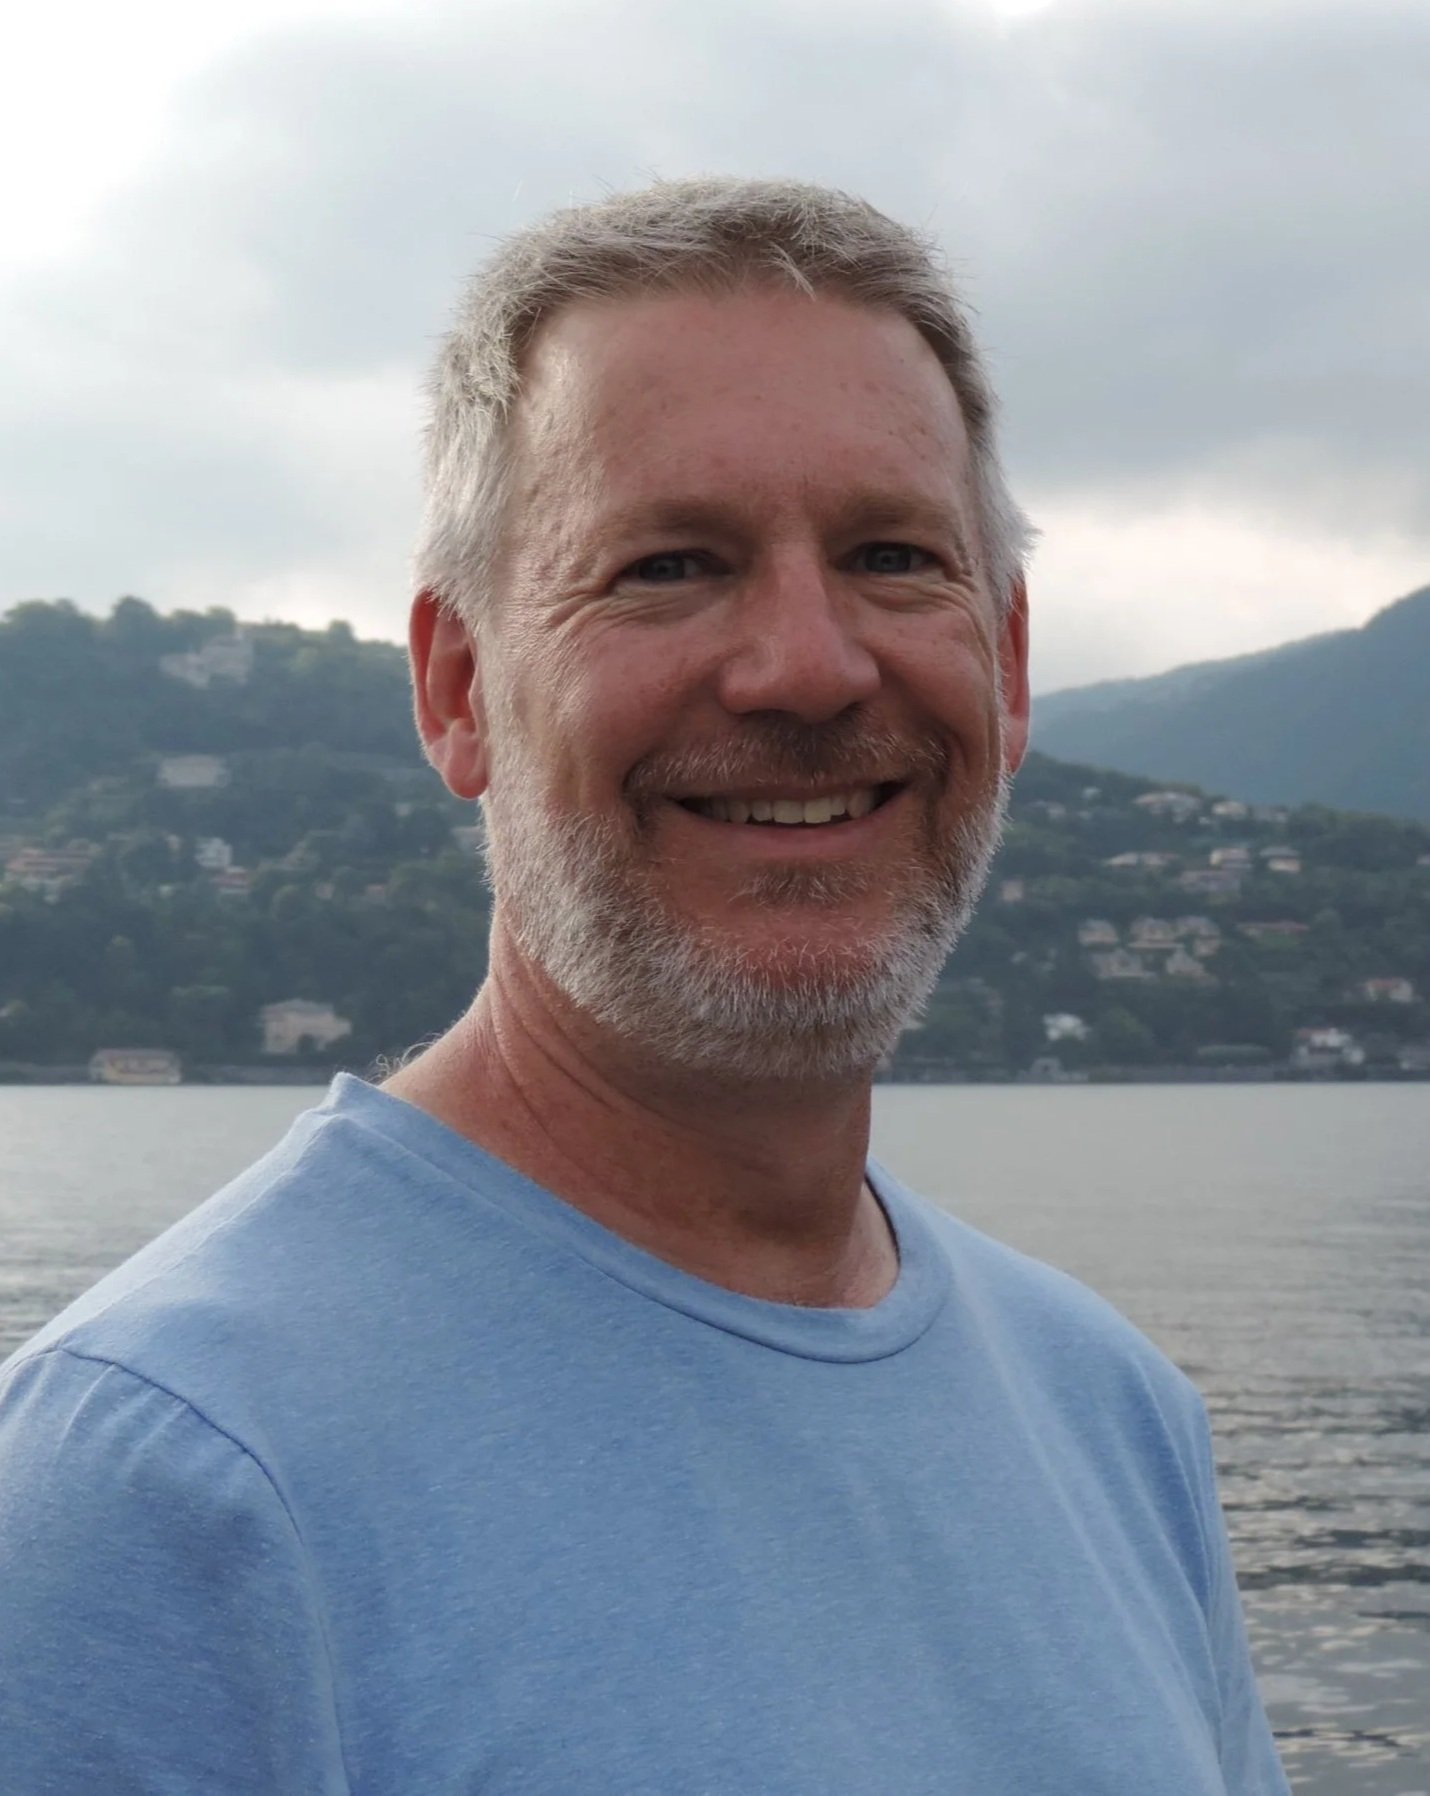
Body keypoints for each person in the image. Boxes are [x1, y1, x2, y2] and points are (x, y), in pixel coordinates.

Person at [0, 178, 1288, 1794]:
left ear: (1010, 668)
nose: (810, 668)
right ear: (461, 690)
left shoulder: (1113, 1418)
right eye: (670, 566)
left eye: (893, 557)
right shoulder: (157, 1492)